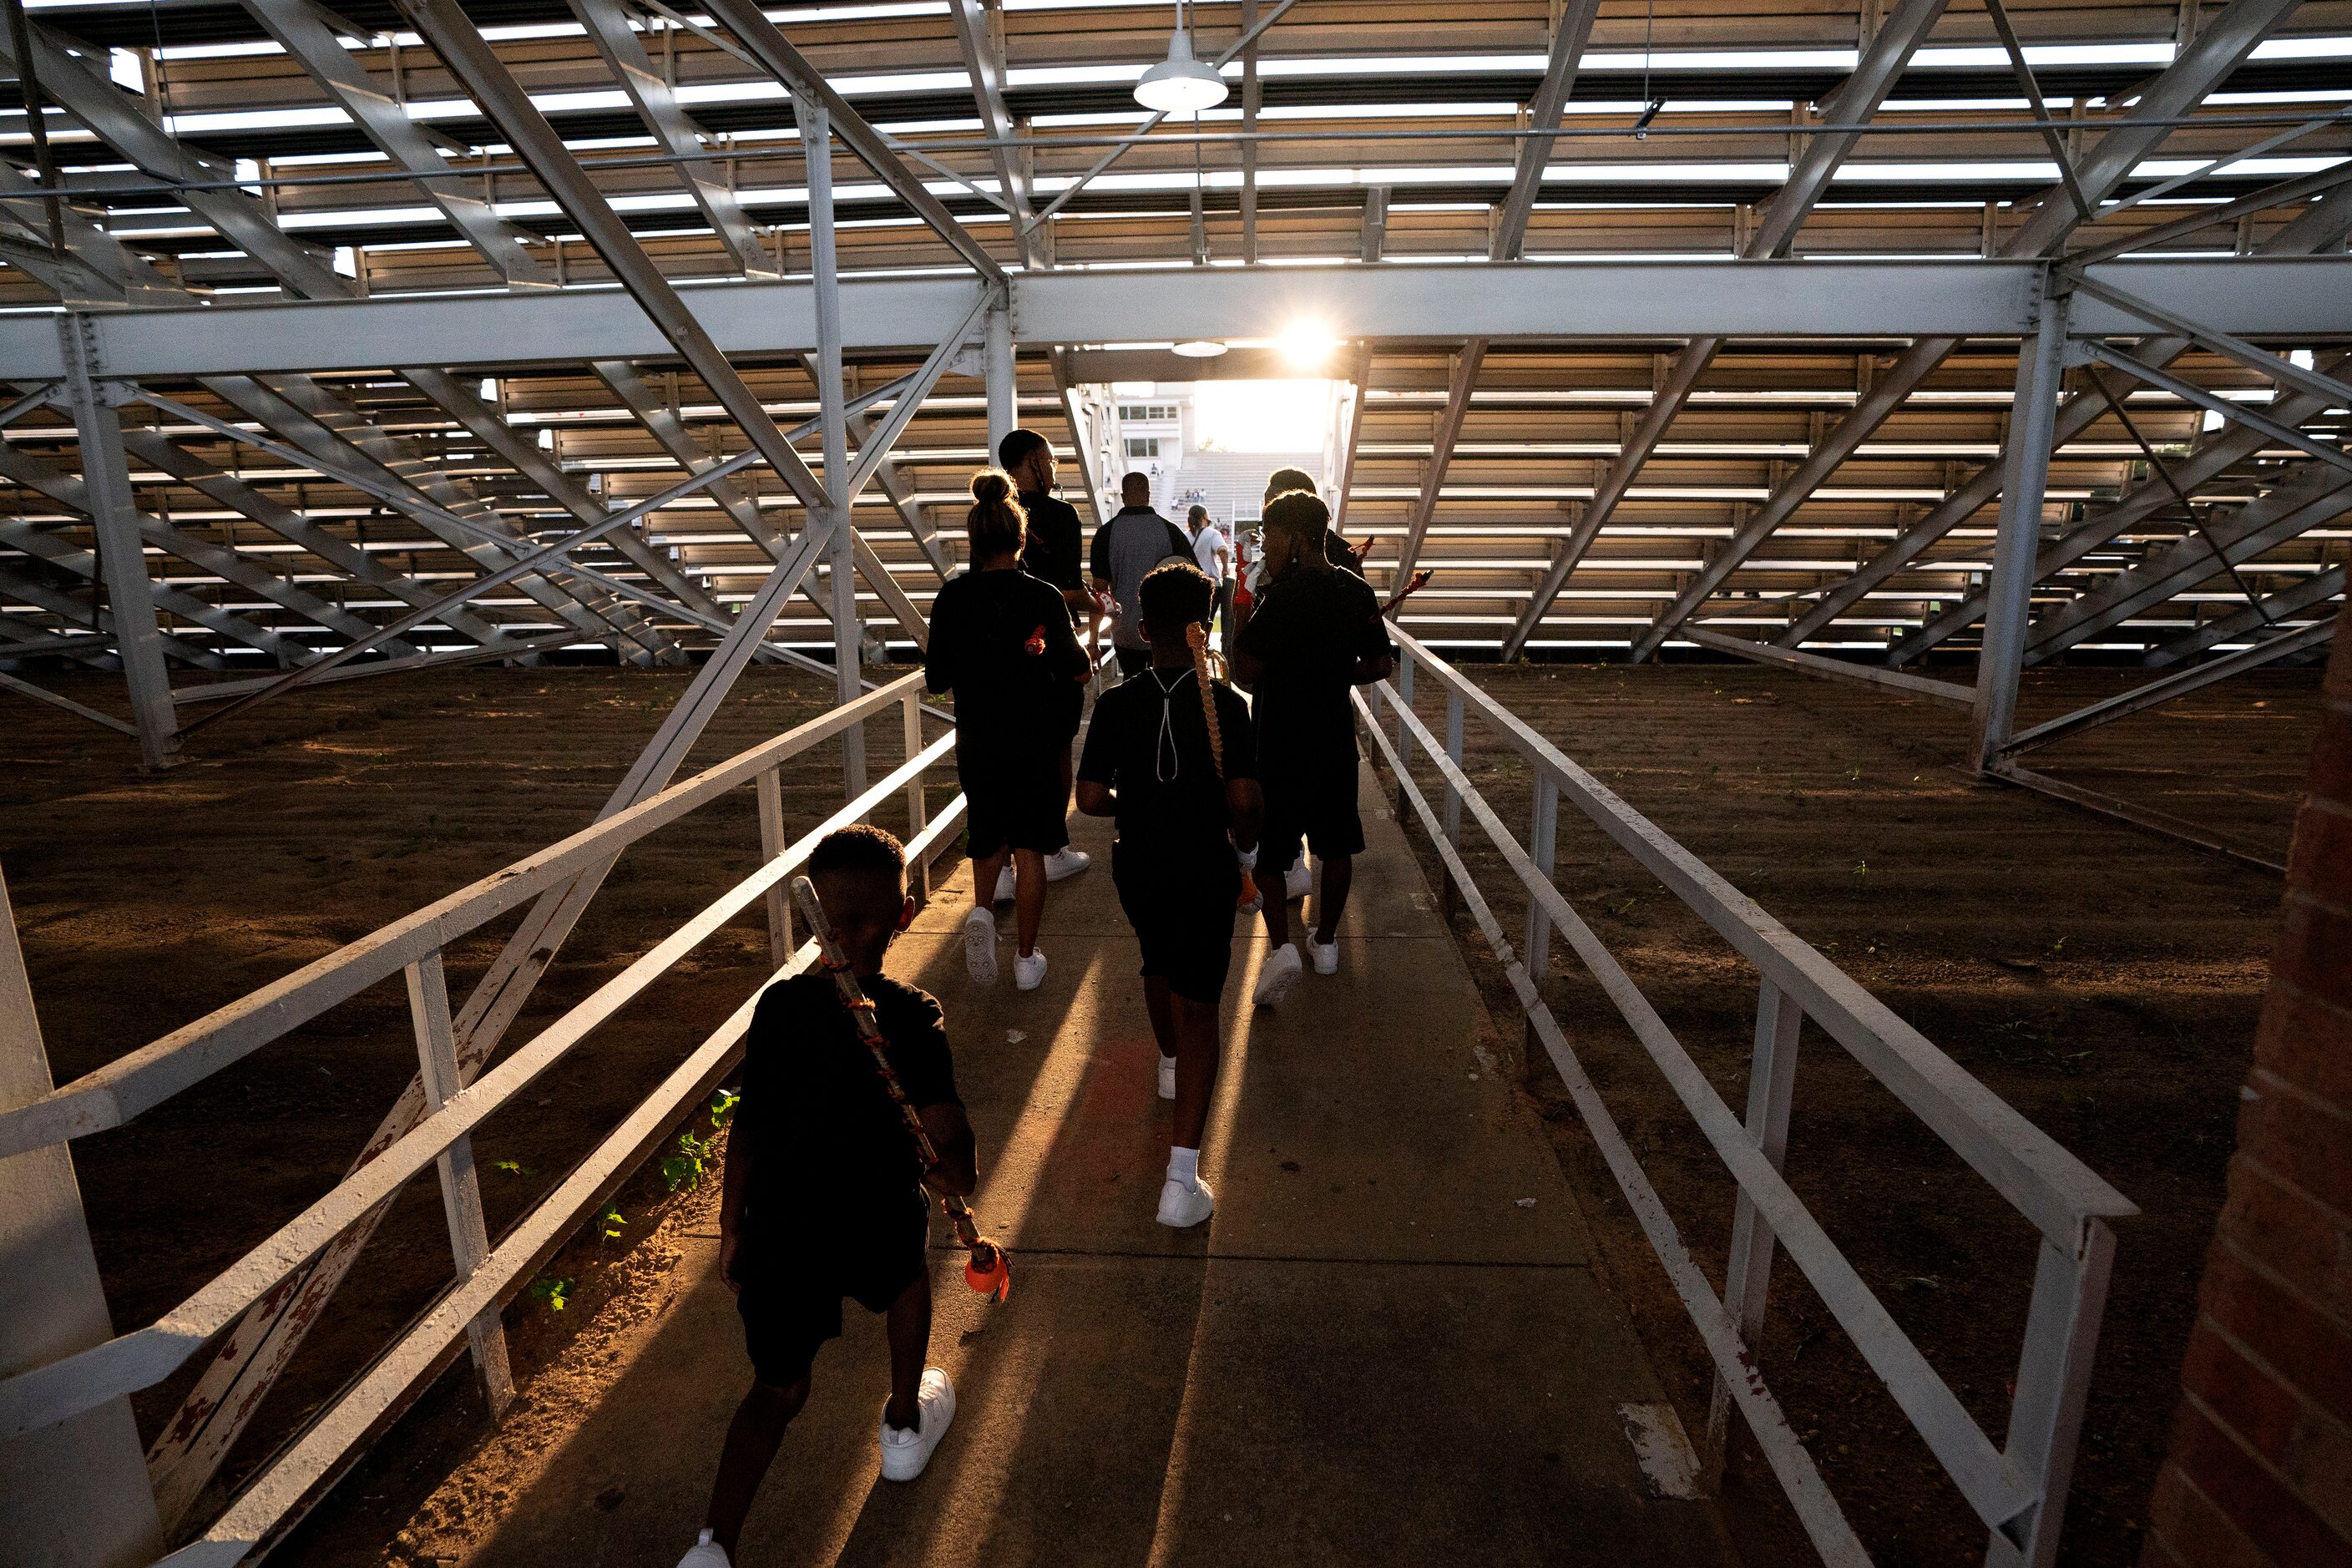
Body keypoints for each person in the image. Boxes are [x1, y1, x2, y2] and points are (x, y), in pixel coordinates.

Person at [680, 826, 978, 1568]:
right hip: (875, 1216)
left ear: (813, 919)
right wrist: (953, 1174)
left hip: (782, 1230)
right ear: (905, 915)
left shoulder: (778, 1009)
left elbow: (747, 1130)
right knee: (907, 1278)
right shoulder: (912, 1015)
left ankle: (712, 1548)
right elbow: (948, 1141)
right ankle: (905, 1425)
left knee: (776, 1390)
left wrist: (731, 1224)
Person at [1077, 562, 1262, 1228]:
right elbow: (1243, 801)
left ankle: (1166, 1066)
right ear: (1201, 627)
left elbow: (1092, 798)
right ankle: (1179, 1183)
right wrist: (1243, 846)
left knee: (1156, 962)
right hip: (1203, 868)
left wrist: (1146, 802)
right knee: (1203, 1008)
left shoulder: (1116, 703)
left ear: (1142, 627)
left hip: (1137, 865)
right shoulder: (1229, 709)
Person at [925, 471, 1091, 991]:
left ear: (974, 540)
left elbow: (935, 679)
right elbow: (1078, 667)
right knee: (1031, 849)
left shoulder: (951, 599)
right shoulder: (1042, 597)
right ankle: (1025, 958)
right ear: (1022, 539)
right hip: (1034, 739)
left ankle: (980, 915)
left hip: (978, 738)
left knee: (987, 836)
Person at [1232, 488, 1394, 1005]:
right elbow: (1378, 664)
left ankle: (1282, 947)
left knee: (1270, 855)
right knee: (1337, 842)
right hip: (1332, 737)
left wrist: (1241, 621)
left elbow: (1245, 672)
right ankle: (1326, 941)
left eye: (1272, 536)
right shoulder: (1354, 590)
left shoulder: (1279, 597)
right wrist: (1331, 673)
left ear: (1296, 537)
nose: (1267, 546)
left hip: (1279, 740)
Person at [996, 428, 1095, 893]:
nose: (1054, 467)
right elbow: (1065, 589)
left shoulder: (988, 514)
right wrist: (1095, 604)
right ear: (1035, 459)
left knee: (1004, 755)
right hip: (1049, 651)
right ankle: (1052, 849)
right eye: (1051, 458)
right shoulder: (1060, 514)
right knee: (1055, 749)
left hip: (1000, 655)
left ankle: (999, 865)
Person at [1091, 472, 1193, 677]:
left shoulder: (1106, 533)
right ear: (1148, 494)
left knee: (1134, 690)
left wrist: (1093, 642)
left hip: (1125, 632)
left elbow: (1100, 592)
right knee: (1165, 687)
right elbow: (1192, 578)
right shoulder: (1169, 530)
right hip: (1165, 631)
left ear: (1123, 496)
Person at [1186, 503, 1234, 640]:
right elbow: (1223, 551)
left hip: (1190, 586)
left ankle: (1195, 652)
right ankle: (1204, 650)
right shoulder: (1212, 533)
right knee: (1207, 623)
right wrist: (1225, 569)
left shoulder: (1184, 536)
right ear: (1204, 518)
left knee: (1192, 624)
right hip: (1210, 584)